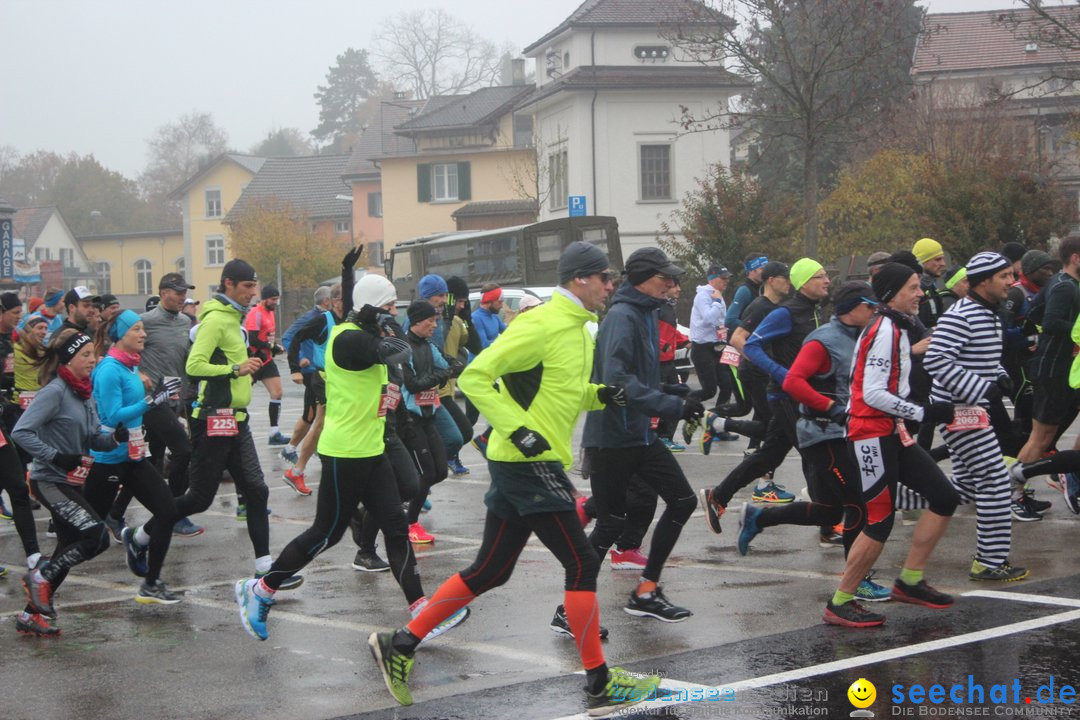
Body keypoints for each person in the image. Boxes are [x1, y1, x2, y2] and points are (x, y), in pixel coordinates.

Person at [367, 241, 660, 715]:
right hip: (527, 461)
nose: (612, 285)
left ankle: (398, 645)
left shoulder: (580, 328)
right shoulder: (541, 323)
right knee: (582, 564)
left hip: (526, 459)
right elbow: (477, 375)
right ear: (580, 279)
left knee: (491, 570)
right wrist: (517, 428)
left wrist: (604, 395)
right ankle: (600, 682)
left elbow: (564, 391)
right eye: (605, 277)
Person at [235, 271, 468, 643]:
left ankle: (421, 609)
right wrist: (387, 327)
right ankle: (261, 589)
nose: (394, 313)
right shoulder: (347, 340)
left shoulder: (370, 333)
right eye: (389, 306)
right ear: (372, 307)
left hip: (372, 449)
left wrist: (385, 324)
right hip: (345, 452)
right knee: (326, 533)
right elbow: (397, 351)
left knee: (395, 527)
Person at [142, 260, 299, 588]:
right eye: (246, 287)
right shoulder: (215, 321)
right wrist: (234, 370)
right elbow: (195, 367)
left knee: (256, 490)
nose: (252, 293)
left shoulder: (234, 319)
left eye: (254, 286)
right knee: (199, 499)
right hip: (212, 418)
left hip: (235, 419)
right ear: (228, 284)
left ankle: (265, 569)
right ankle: (140, 536)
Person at [824, 263, 960, 628]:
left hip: (891, 430)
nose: (920, 294)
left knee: (944, 497)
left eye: (919, 287)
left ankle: (910, 581)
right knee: (880, 519)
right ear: (891, 294)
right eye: (913, 288)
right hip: (870, 434)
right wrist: (924, 411)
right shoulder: (885, 330)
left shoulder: (895, 325)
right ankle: (840, 602)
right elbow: (872, 393)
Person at [737, 282, 889, 599]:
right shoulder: (824, 340)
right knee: (858, 505)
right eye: (869, 306)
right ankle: (857, 580)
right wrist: (831, 408)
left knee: (830, 512)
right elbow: (793, 381)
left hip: (847, 432)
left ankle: (759, 516)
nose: (874, 312)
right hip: (823, 435)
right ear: (851, 307)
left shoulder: (861, 336)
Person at [581, 247, 702, 621]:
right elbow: (616, 380)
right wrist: (668, 406)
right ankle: (570, 610)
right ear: (642, 279)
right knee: (611, 523)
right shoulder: (622, 315)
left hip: (639, 433)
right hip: (612, 436)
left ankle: (647, 591)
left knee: (682, 501)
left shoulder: (648, 313)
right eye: (664, 277)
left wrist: (675, 393)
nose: (671, 284)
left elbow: (644, 378)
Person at [700, 259, 831, 535]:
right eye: (820, 276)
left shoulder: (812, 311)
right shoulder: (778, 310)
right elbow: (743, 339)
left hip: (795, 392)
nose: (827, 280)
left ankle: (718, 496)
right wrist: (779, 373)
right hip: (780, 391)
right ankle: (828, 523)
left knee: (769, 453)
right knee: (814, 454)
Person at [924, 252, 1029, 581]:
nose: (1011, 283)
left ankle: (879, 497)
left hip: (973, 407)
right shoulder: (963, 314)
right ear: (984, 281)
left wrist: (999, 375)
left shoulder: (991, 313)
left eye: (1011, 275)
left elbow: (980, 355)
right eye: (1004, 277)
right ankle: (989, 562)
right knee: (997, 480)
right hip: (959, 410)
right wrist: (979, 389)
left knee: (967, 487)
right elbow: (936, 359)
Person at [12, 329, 120, 635]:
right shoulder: (55, 391)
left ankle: (30, 614)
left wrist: (115, 438)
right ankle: (41, 576)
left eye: (93, 354)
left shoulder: (84, 393)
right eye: (85, 355)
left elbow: (94, 437)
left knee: (69, 546)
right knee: (96, 537)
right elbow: (21, 432)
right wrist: (55, 456)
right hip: (50, 481)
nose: (93, 360)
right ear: (69, 360)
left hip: (73, 482)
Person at [85, 310, 182, 602]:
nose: (143, 334)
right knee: (85, 536)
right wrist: (153, 400)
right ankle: (45, 576)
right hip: (108, 461)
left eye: (143, 329)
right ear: (120, 334)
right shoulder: (110, 369)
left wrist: (159, 396)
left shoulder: (129, 367)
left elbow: (137, 407)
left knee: (167, 511)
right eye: (137, 329)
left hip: (134, 457)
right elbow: (113, 416)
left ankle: (150, 583)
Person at [105, 272, 202, 539]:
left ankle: (114, 514)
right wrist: (136, 374)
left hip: (173, 400)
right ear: (163, 293)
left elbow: (187, 360)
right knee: (184, 450)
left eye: (185, 292)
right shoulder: (144, 322)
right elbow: (117, 349)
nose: (183, 297)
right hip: (149, 401)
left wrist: (187, 391)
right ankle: (174, 513)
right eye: (178, 292)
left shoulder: (186, 322)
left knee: (150, 465)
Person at [718, 261, 792, 484]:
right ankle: (763, 483)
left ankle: (757, 470)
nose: (789, 282)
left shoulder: (777, 306)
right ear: (771, 280)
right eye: (784, 277)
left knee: (765, 424)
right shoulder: (760, 306)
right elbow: (736, 338)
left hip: (764, 374)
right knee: (774, 430)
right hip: (755, 375)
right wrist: (763, 363)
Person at [1016, 237, 1080, 475]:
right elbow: (1051, 321)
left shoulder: (1059, 282)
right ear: (1075, 258)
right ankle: (1013, 489)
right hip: (1053, 369)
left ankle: (1069, 481)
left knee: (1046, 437)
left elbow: (1034, 314)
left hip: (1063, 369)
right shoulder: (1065, 286)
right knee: (1040, 438)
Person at [400, 300, 463, 544]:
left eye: (436, 321)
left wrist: (440, 374)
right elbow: (413, 383)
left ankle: (401, 495)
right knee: (426, 473)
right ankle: (410, 524)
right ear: (417, 321)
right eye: (431, 321)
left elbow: (451, 367)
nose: (434, 326)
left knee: (439, 472)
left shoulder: (427, 346)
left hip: (429, 415)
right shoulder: (404, 348)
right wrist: (441, 375)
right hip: (410, 418)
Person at [0, 293, 43, 586]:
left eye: (20, 311)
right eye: (14, 311)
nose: (19, 316)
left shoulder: (10, 340)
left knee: (17, 487)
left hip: (2, 424)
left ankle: (34, 555)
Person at [279, 285, 334, 466]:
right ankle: (300, 452)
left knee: (313, 414)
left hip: (323, 373)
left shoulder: (330, 318)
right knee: (317, 415)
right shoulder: (312, 318)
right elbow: (288, 337)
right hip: (313, 373)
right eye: (335, 299)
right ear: (327, 301)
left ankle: (294, 448)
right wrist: (300, 358)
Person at [439, 276, 475, 476]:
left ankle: (450, 457)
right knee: (461, 431)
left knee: (461, 431)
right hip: (436, 389)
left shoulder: (459, 321)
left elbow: (469, 341)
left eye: (464, 302)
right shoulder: (439, 323)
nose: (462, 305)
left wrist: (467, 320)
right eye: (459, 301)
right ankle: (445, 457)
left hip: (450, 386)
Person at [244, 284, 287, 445]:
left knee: (277, 393)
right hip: (254, 359)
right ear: (265, 299)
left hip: (267, 360)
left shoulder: (270, 312)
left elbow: (267, 336)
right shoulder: (256, 313)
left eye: (277, 299)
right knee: (242, 395)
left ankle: (274, 432)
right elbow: (253, 339)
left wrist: (275, 347)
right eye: (273, 299)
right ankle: (238, 428)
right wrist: (271, 346)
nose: (275, 302)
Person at [688, 265, 734, 413]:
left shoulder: (717, 294)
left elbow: (720, 320)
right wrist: (716, 303)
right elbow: (708, 319)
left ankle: (716, 424)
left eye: (727, 278)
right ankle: (684, 406)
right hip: (702, 348)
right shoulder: (703, 296)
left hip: (718, 346)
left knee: (727, 386)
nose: (726, 281)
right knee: (709, 390)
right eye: (723, 278)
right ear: (713, 279)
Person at [725, 253, 768, 333]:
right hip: (744, 341)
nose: (766, 272)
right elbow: (730, 320)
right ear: (752, 270)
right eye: (762, 269)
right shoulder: (744, 290)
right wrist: (755, 332)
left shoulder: (763, 288)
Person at [913, 237, 947, 329]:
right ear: (923, 262)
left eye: (942, 259)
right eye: (938, 259)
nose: (943, 263)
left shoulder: (931, 286)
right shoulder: (914, 290)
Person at [472, 283, 506, 349]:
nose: (502, 306)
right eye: (500, 302)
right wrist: (504, 341)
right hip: (479, 359)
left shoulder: (494, 316)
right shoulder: (476, 318)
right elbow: (484, 344)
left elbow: (509, 332)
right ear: (489, 300)